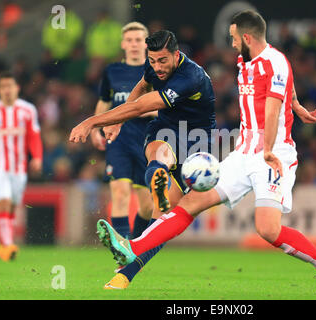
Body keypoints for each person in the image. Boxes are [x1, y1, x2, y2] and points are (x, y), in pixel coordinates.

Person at [89, 11, 316, 295]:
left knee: (268, 230)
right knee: (189, 204)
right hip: (243, 153)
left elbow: (271, 110)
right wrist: (298, 107)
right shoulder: (247, 60)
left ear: (246, 37)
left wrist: (268, 149)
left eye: (233, 38)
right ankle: (131, 247)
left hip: (273, 155)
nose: (231, 44)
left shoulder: (274, 62)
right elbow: (287, 87)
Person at [70, 29, 217, 289]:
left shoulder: (190, 77)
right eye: (152, 61)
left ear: (177, 54)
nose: (157, 67)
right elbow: (142, 86)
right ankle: (158, 175)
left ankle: (126, 271)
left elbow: (140, 107)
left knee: (162, 220)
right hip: (166, 129)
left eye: (163, 61)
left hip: (196, 141)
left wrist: (91, 122)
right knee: (158, 155)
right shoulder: (155, 67)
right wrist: (119, 122)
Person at [90, 22, 155, 263]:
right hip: (117, 140)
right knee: (119, 193)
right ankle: (122, 250)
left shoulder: (155, 71)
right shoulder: (112, 71)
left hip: (146, 142)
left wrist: (143, 110)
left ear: (146, 44)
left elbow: (168, 106)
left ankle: (132, 244)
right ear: (123, 44)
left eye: (139, 40)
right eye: (130, 40)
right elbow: (104, 102)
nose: (134, 44)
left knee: (147, 206)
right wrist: (97, 126)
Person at [0, 72, 43, 261]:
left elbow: (34, 135)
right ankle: (9, 244)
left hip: (18, 166)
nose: (7, 90)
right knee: (2, 199)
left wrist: (37, 157)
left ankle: (3, 244)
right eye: (3, 87)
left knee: (12, 204)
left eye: (10, 86)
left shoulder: (28, 110)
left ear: (17, 88)